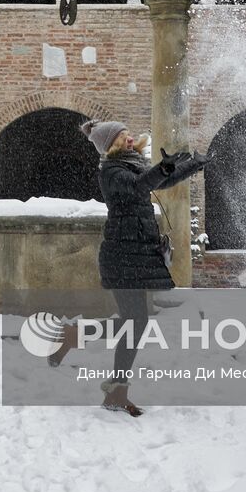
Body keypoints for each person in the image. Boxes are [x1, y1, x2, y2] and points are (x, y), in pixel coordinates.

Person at [48, 121, 206, 417]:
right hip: (122, 256)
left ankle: (78, 343)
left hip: (135, 254)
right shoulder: (112, 173)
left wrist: (192, 165)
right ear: (111, 145)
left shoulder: (132, 167)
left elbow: (159, 182)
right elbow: (140, 186)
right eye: (122, 136)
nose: (130, 137)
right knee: (135, 323)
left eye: (128, 133)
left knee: (134, 323)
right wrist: (162, 168)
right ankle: (113, 389)